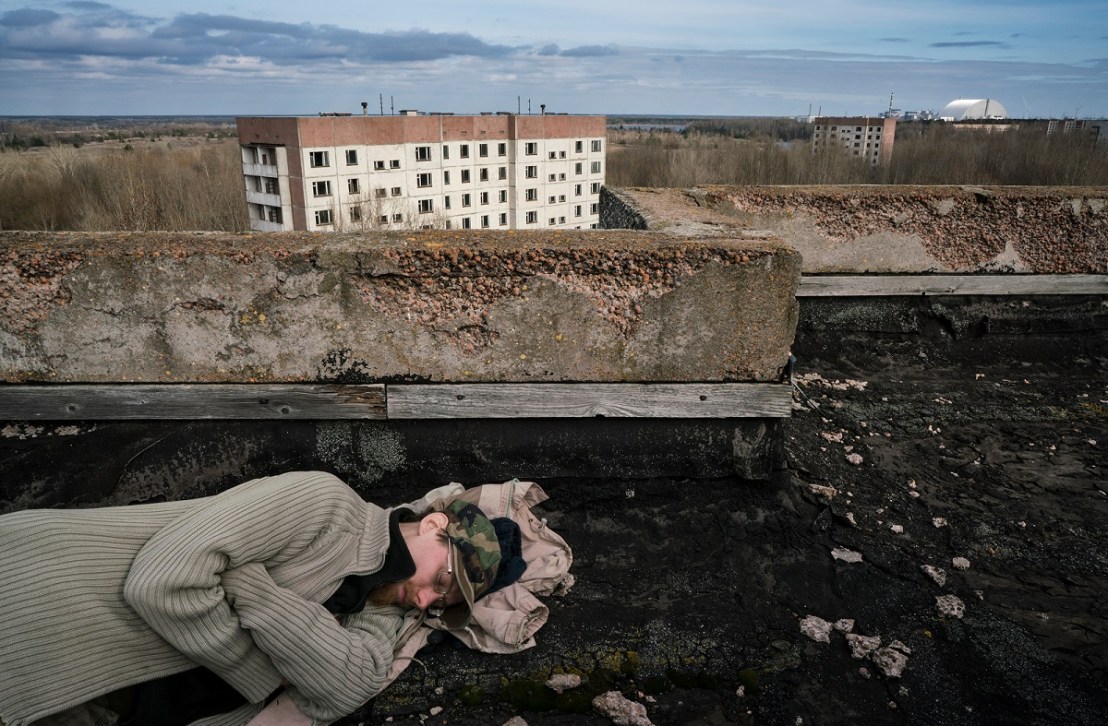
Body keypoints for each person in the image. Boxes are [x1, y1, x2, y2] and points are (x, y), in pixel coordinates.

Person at [0, 471, 525, 726]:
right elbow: (162, 580)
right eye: (442, 580)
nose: (427, 601)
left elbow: (345, 688)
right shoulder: (326, 506)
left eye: (442, 601)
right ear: (434, 524)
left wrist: (251, 587)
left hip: (115, 692)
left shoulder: (384, 605)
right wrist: (259, 671)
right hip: (48, 599)